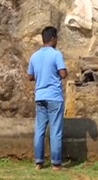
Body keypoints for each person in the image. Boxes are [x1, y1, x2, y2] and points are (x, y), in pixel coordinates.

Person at [28, 26, 68, 170]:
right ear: (53, 39)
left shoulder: (34, 56)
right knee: (55, 131)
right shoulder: (56, 54)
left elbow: (30, 76)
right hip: (54, 97)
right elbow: (63, 74)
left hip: (40, 97)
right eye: (56, 38)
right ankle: (56, 164)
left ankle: (39, 162)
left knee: (39, 130)